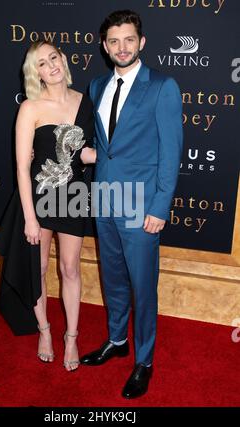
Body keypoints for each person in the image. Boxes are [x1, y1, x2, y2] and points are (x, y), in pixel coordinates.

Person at [80, 10, 183, 397]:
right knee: (114, 279)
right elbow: (109, 146)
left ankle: (144, 360)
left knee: (143, 285)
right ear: (104, 47)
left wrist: (160, 207)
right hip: (104, 199)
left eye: (128, 40)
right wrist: (91, 156)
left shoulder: (162, 86)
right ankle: (116, 340)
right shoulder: (96, 86)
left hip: (142, 207)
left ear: (141, 42)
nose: (121, 47)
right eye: (113, 41)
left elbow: (171, 153)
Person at [0, 40, 96, 372]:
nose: (50, 66)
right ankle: (45, 331)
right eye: (41, 63)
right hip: (38, 196)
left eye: (54, 57)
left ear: (63, 60)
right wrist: (30, 218)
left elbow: (87, 153)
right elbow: (22, 167)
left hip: (74, 195)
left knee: (70, 268)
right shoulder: (30, 108)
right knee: (37, 270)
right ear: (34, 72)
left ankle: (72, 337)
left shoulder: (86, 101)